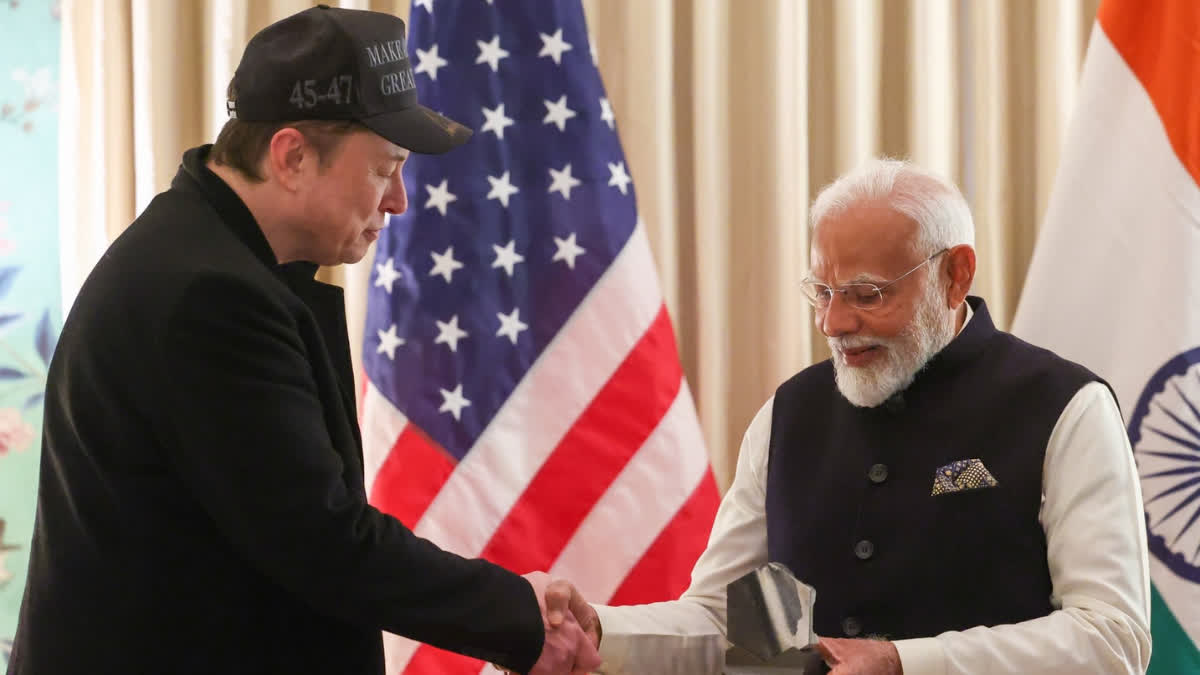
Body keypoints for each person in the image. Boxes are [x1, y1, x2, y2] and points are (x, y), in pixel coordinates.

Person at [6, 7, 599, 675]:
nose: (399, 201)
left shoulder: (209, 256)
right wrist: (515, 613)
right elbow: (324, 543)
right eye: (385, 168)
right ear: (291, 156)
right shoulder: (207, 296)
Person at [564, 159, 1152, 674]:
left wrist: (907, 664)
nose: (833, 323)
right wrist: (598, 634)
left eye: (866, 295)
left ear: (955, 275)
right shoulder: (789, 415)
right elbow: (732, 626)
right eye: (822, 291)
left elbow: (1112, 639)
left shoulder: (1064, 406)